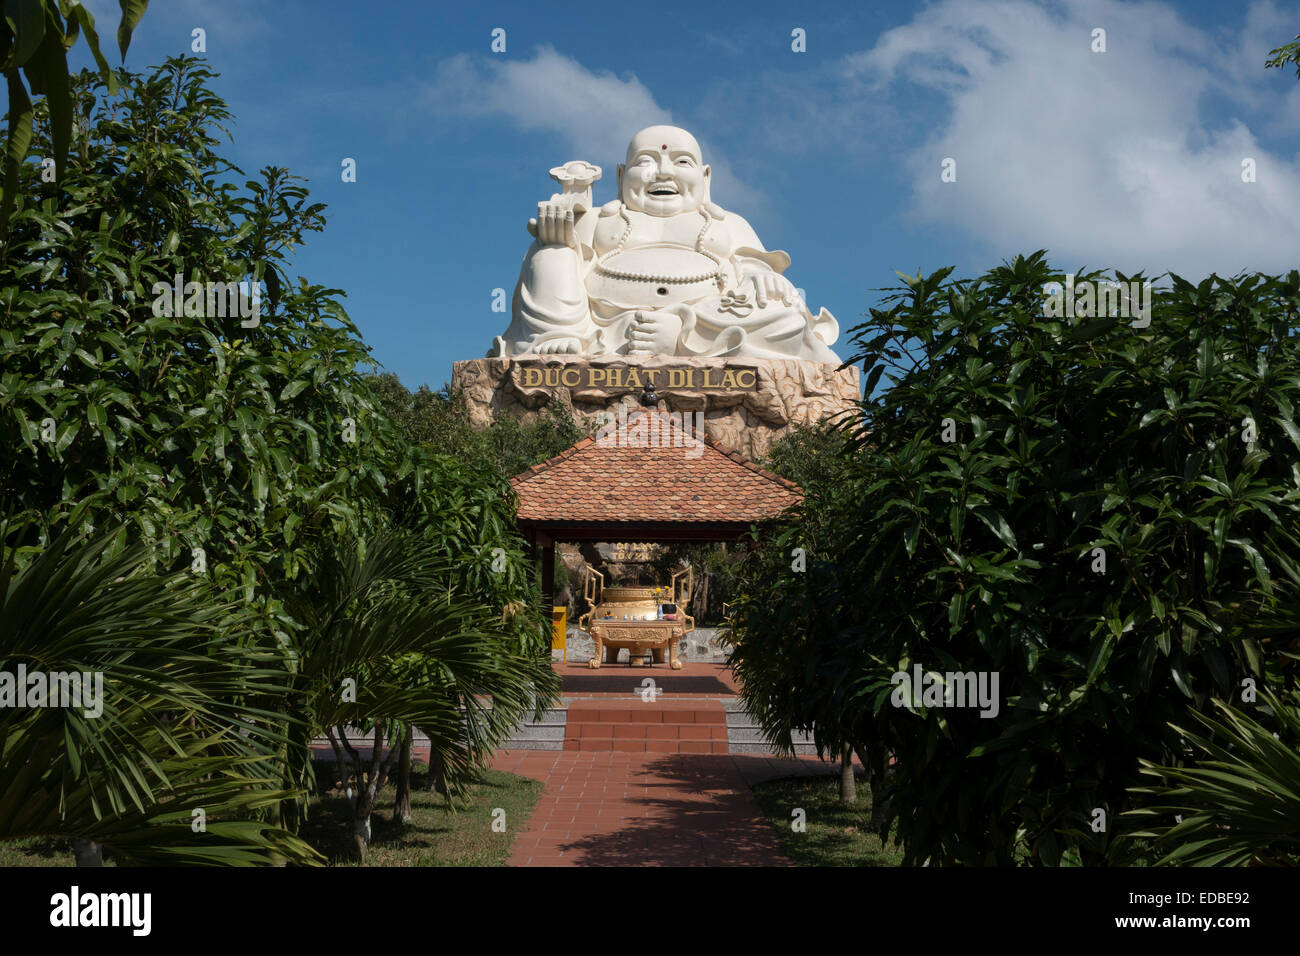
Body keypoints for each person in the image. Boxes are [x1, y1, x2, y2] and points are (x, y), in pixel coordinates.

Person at [491, 125, 840, 363]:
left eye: (681, 162)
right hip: (606, 323)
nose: (662, 172)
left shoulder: (727, 222)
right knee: (550, 252)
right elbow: (565, 257)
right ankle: (559, 335)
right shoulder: (600, 218)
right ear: (619, 175)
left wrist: (761, 277)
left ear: (705, 178)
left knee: (785, 319)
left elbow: (754, 269)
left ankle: (680, 338)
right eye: (645, 161)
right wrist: (562, 229)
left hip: (707, 322)